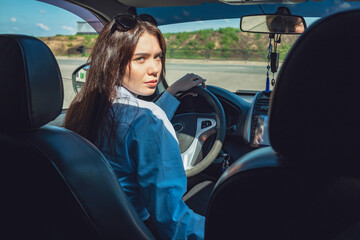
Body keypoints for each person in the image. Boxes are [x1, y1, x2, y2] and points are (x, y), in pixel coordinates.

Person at [64, 13, 207, 240]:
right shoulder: (148, 119)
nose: (154, 70)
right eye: (140, 59)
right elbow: (172, 221)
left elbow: (133, 124)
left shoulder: (86, 106)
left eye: (158, 57)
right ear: (114, 62)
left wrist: (170, 95)